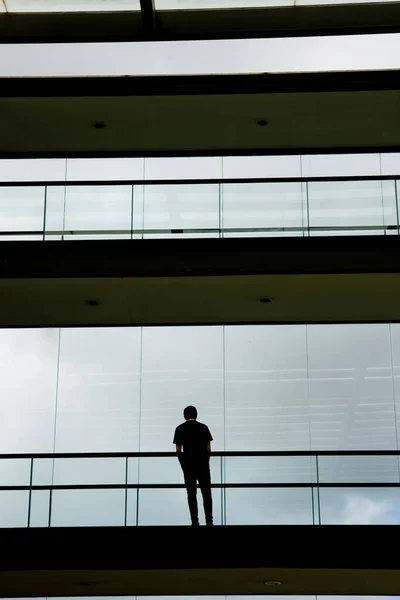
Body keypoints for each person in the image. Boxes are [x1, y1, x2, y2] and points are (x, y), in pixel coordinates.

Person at [173, 405, 213, 526]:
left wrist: (183, 464)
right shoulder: (203, 428)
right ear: (196, 415)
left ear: (184, 416)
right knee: (206, 493)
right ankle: (209, 521)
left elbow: (178, 450)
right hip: (202, 465)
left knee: (191, 494)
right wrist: (206, 461)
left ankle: (194, 521)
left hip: (188, 465)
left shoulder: (179, 429)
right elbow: (208, 448)